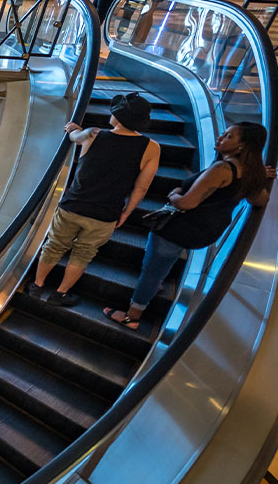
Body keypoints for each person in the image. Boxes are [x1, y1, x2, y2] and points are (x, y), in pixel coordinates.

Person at [105, 123, 273, 330]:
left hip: (177, 229)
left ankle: (132, 316)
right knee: (163, 262)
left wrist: (173, 193)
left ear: (242, 146)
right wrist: (259, 179)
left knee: (151, 270)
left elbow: (186, 203)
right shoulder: (248, 172)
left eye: (228, 136)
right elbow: (260, 201)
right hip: (206, 231)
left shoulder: (222, 169)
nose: (220, 138)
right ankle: (154, 285)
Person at [29, 92, 160, 306]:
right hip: (106, 212)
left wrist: (74, 129)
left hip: (73, 204)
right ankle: (60, 293)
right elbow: (142, 187)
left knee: (54, 245)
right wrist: (126, 212)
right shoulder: (151, 148)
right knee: (83, 254)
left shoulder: (93, 134)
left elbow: (73, 136)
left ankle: (37, 285)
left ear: (118, 116)